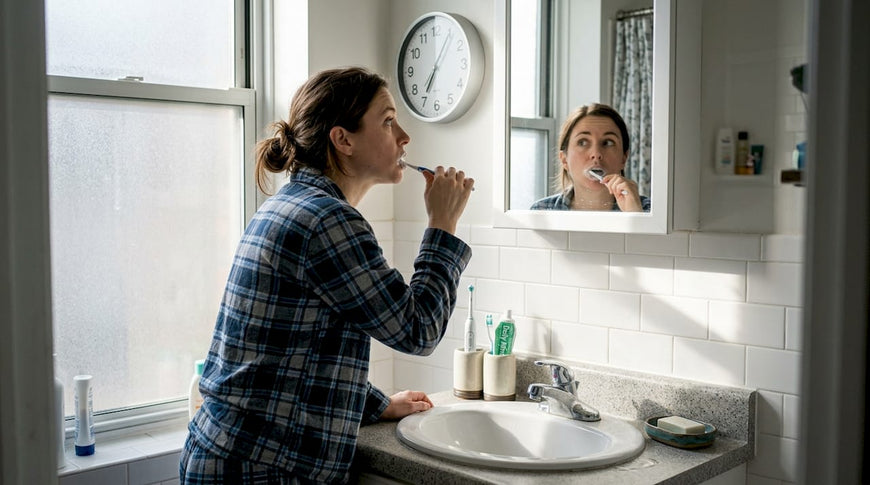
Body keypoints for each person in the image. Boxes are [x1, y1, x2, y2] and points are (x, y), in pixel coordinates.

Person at [180, 67, 474, 484]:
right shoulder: (326, 219)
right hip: (260, 469)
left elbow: (292, 354)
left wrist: (374, 404)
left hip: (231, 453)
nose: (404, 137)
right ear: (343, 139)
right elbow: (418, 329)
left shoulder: (291, 204)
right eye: (388, 121)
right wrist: (442, 224)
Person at [530, 103, 650, 212]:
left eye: (608, 142)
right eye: (582, 142)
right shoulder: (541, 211)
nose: (596, 153)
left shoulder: (649, 211)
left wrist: (635, 216)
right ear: (564, 159)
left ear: (624, 158)